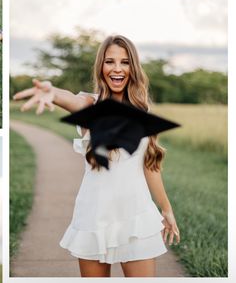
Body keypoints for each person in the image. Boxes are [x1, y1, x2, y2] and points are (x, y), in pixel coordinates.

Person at [13, 35, 180, 277]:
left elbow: (150, 166)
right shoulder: (90, 105)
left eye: (124, 62)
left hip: (136, 216)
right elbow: (72, 100)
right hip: (94, 217)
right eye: (110, 61)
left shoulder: (143, 109)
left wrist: (166, 209)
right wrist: (54, 92)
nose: (117, 68)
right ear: (101, 67)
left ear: (133, 68)